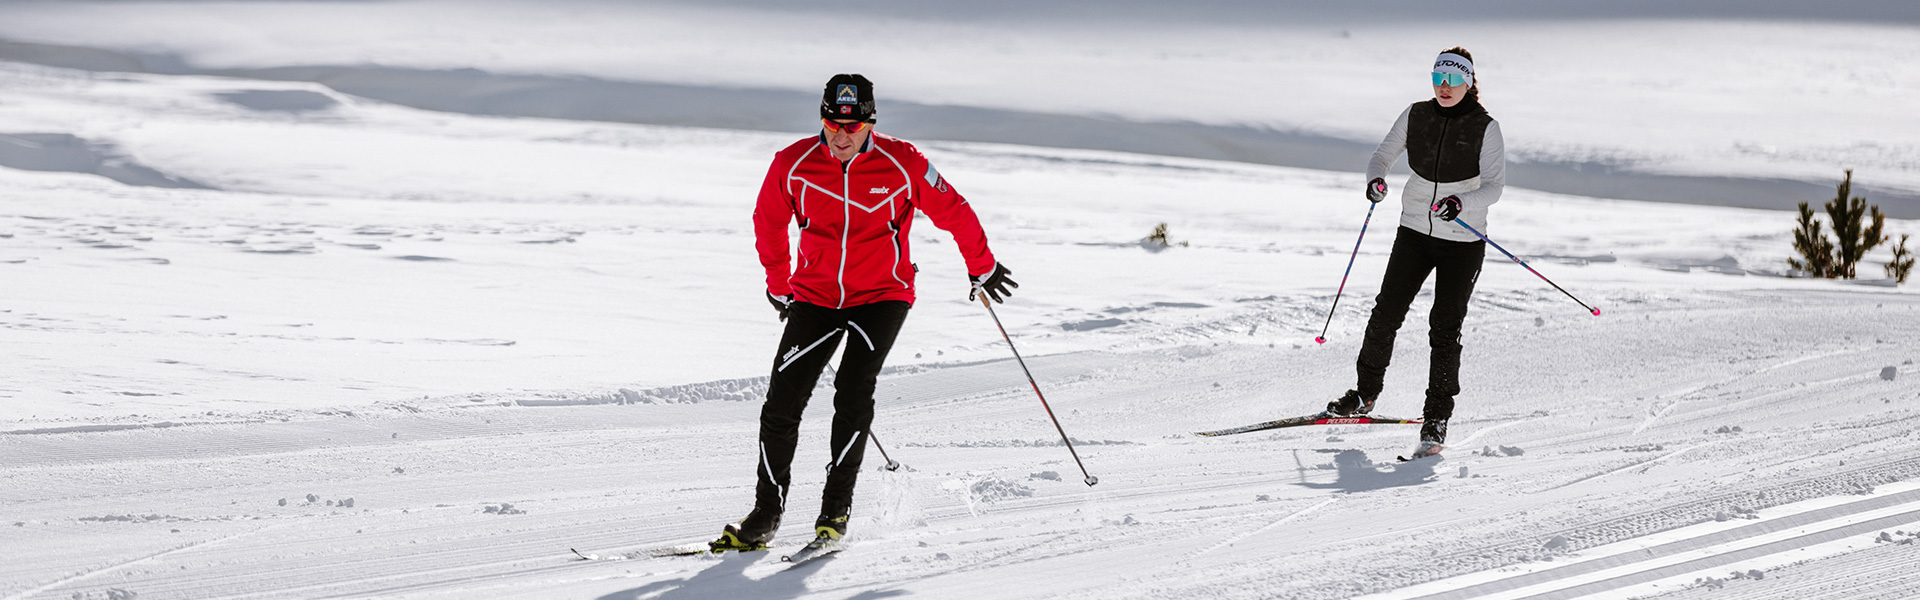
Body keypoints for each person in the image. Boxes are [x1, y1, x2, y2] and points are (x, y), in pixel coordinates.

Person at [714, 73, 1018, 551]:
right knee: (780, 405)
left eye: (852, 127)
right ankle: (765, 515)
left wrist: (981, 265)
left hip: (883, 295)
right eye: (832, 123)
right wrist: (779, 284)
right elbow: (768, 221)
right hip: (814, 297)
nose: (841, 135)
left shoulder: (905, 162)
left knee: (852, 392)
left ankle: (835, 511)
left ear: (870, 124)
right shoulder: (792, 164)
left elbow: (953, 209)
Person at [1325, 47, 1504, 460]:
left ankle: (1436, 419)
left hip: (1462, 240)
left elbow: (1494, 186)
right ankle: (1365, 394)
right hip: (1414, 232)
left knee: (1444, 327)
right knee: (1386, 312)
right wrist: (1376, 180)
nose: (1444, 87)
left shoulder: (1486, 128)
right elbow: (1381, 155)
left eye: (1453, 80)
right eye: (1438, 79)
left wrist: (1462, 203)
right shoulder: (1415, 115)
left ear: (1468, 82)